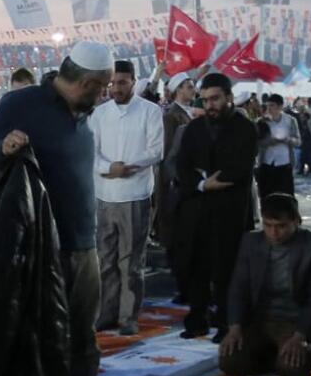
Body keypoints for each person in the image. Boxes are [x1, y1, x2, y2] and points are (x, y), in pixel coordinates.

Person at [0, 40, 114, 376]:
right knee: (25, 345)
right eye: (100, 88)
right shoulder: (22, 105)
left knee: (82, 346)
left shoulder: (83, 114)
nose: (103, 96)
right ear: (85, 81)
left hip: (82, 250)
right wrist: (2, 147)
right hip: (33, 256)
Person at [175, 73, 258, 341]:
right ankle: (197, 318)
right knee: (196, 265)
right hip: (196, 210)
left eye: (215, 99)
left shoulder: (245, 129)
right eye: (206, 99)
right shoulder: (194, 129)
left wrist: (214, 180)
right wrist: (202, 184)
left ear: (229, 98)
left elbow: (240, 168)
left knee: (227, 269)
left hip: (230, 212)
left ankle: (227, 323)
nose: (210, 105)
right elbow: (182, 166)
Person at [219, 193, 311, 376]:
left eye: (281, 226)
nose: (274, 233)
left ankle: (284, 356)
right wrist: (234, 327)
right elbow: (238, 288)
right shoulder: (251, 242)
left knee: (292, 374)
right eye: (268, 225)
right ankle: (272, 355)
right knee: (229, 363)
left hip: (296, 322)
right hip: (261, 319)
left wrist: (300, 336)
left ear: (296, 221)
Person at [89, 60, 164, 335]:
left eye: (122, 82)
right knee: (105, 259)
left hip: (135, 194)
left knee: (130, 261)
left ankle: (128, 316)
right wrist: (110, 169)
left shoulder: (150, 112)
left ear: (133, 81)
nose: (116, 88)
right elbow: (91, 152)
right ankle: (105, 314)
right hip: (104, 196)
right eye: (112, 83)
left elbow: (156, 151)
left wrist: (125, 167)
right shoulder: (98, 114)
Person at [155, 73, 195, 279]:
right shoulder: (171, 115)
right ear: (179, 89)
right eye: (189, 86)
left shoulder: (187, 112)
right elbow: (168, 152)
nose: (192, 89)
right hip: (174, 180)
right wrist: (173, 180)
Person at [255, 94, 299, 197]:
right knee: (266, 196)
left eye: (272, 105)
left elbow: (298, 141)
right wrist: (269, 142)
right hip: (266, 164)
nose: (269, 108)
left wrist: (288, 140)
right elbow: (256, 142)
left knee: (286, 197)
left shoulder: (290, 120)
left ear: (280, 107)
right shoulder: (261, 122)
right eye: (268, 105)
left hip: (284, 163)